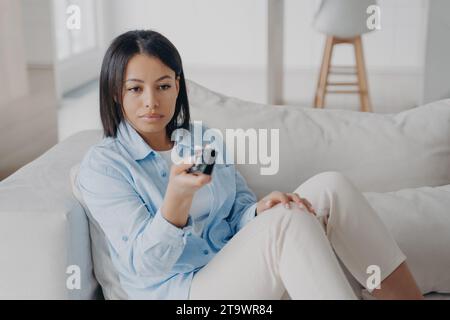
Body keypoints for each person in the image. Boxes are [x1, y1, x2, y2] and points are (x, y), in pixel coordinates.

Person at [77, 29, 423, 300]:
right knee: (287, 224)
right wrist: (176, 200)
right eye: (135, 89)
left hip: (231, 271)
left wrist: (257, 211)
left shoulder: (201, 141)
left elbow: (236, 212)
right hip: (180, 292)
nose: (151, 102)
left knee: (330, 187)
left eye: (163, 86)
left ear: (177, 87)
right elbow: (147, 265)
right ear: (114, 93)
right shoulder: (105, 166)